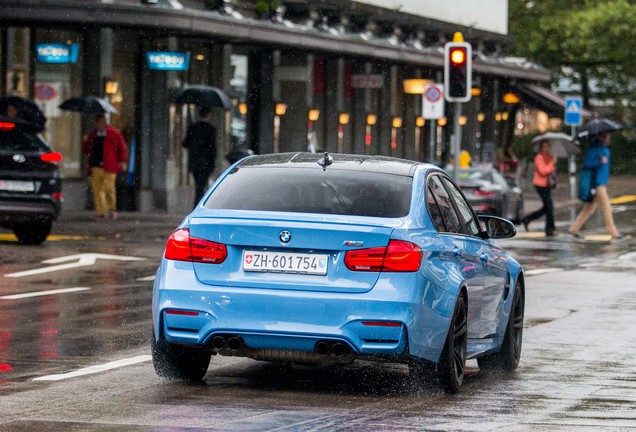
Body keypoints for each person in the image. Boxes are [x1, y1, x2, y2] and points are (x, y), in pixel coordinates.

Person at [568, 132, 624, 240]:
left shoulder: (604, 149)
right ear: (601, 137)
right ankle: (614, 233)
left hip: (601, 182)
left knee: (589, 209)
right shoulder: (594, 149)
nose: (608, 137)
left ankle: (573, 229)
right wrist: (599, 161)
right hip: (597, 184)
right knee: (607, 208)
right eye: (606, 136)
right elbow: (587, 164)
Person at [82, 114, 128, 219]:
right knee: (97, 190)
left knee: (109, 188)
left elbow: (122, 148)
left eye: (102, 123)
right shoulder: (92, 135)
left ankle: (112, 209)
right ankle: (100, 212)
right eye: (98, 123)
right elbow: (86, 150)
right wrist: (84, 141)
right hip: (96, 166)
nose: (99, 125)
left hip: (110, 166)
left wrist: (122, 161)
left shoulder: (114, 134)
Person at [183, 107, 217, 208]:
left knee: (199, 185)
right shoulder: (210, 129)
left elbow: (185, 143)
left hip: (195, 163)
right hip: (205, 163)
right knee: (200, 186)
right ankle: (198, 206)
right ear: (209, 115)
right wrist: (212, 162)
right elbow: (212, 148)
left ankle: (197, 205)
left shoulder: (193, 127)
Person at [521, 140, 557, 237]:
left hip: (547, 185)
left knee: (547, 207)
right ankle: (549, 229)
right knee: (549, 207)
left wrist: (552, 162)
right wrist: (552, 163)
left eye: (547, 146)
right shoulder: (539, 158)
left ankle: (527, 219)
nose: (546, 148)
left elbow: (551, 171)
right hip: (541, 185)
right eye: (544, 146)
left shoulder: (548, 157)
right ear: (541, 148)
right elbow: (543, 171)